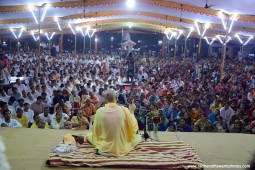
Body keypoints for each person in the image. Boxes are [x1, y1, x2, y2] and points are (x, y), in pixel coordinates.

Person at [86, 89, 141, 157]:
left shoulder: (100, 111)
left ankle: (104, 149)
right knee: (138, 137)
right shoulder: (124, 110)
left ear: (105, 99)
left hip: (104, 148)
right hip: (121, 148)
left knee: (89, 135)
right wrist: (132, 112)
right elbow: (134, 128)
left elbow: (96, 132)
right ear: (117, 97)